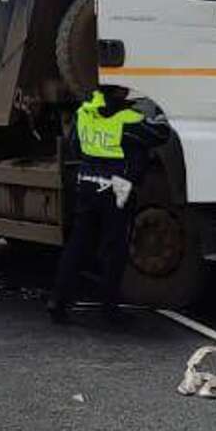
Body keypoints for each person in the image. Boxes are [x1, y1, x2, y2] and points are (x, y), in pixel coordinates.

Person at [48, 84, 169, 324]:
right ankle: (108, 309)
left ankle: (58, 301)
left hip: (87, 185)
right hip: (115, 189)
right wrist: (159, 109)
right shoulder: (128, 119)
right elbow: (160, 134)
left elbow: (75, 146)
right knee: (114, 249)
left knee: (78, 245)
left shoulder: (85, 112)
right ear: (119, 93)